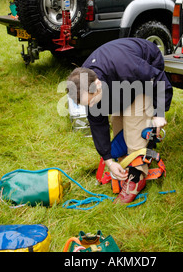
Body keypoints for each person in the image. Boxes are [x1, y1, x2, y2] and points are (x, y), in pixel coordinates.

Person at [66, 38, 173, 203]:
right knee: (117, 123)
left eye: (92, 101)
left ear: (98, 84)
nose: (92, 106)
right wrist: (109, 161)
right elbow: (97, 124)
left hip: (146, 71)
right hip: (119, 81)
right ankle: (126, 164)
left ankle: (137, 177)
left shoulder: (126, 66)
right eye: (88, 104)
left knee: (133, 122)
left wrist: (159, 113)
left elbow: (158, 79)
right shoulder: (87, 87)